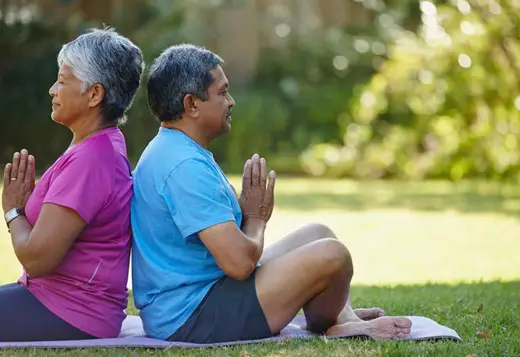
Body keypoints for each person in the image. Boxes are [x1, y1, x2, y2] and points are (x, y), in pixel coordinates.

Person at [130, 44, 412, 343]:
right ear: (192, 104)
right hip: (193, 316)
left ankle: (344, 319)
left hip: (207, 294)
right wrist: (255, 219)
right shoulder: (183, 165)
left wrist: (243, 217)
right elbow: (239, 265)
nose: (232, 101)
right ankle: (337, 322)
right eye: (223, 93)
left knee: (318, 233)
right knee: (334, 255)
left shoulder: (176, 149)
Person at [0, 28, 144, 341]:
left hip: (72, 311)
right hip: (57, 302)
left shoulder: (91, 160)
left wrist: (13, 212)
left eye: (63, 80)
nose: (53, 89)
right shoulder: (96, 147)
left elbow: (38, 259)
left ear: (95, 94)